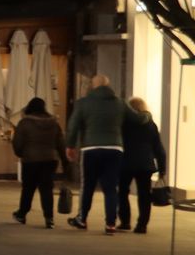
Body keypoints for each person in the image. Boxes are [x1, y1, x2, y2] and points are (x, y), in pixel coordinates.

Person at [65, 74, 144, 234]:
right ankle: (110, 224)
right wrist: (146, 115)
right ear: (108, 86)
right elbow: (137, 119)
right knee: (110, 188)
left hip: (90, 149)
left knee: (87, 186)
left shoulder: (83, 103)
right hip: (114, 149)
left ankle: (82, 219)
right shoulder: (120, 103)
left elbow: (73, 126)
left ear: (93, 86)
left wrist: (70, 146)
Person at [10, 97, 68, 229]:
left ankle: (22, 214)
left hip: (30, 160)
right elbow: (61, 143)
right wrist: (65, 161)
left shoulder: (24, 123)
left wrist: (21, 153)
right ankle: (49, 218)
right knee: (47, 189)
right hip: (50, 159)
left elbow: (17, 142)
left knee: (28, 188)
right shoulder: (54, 123)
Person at [118, 97, 167, 234]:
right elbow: (158, 148)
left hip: (126, 162)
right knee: (144, 195)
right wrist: (162, 168)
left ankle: (125, 222)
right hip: (145, 164)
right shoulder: (151, 125)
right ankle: (142, 225)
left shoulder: (124, 123)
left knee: (122, 192)